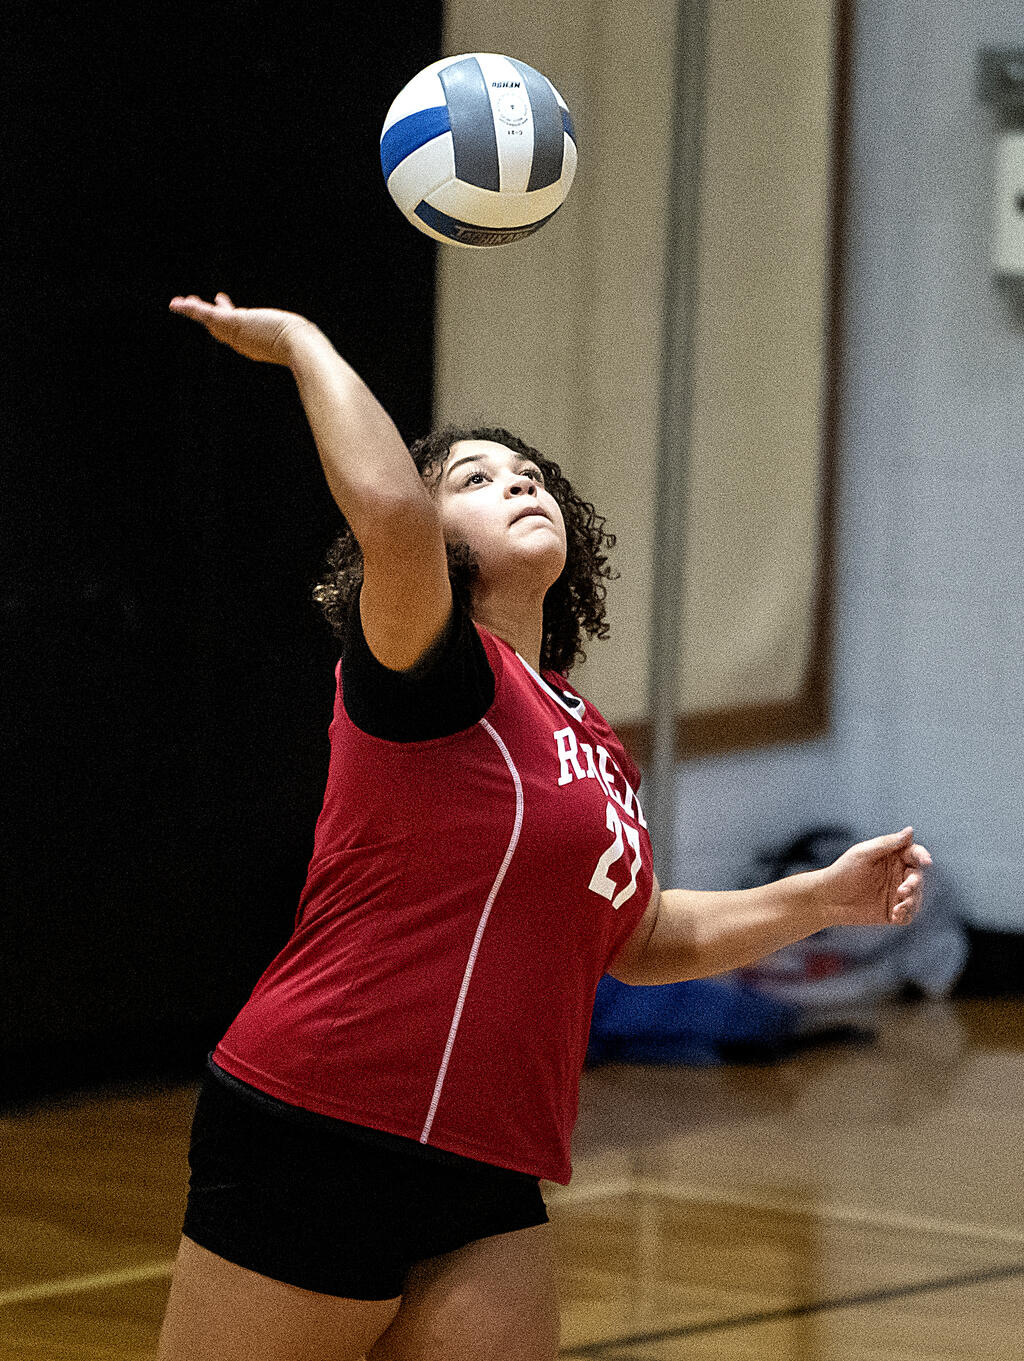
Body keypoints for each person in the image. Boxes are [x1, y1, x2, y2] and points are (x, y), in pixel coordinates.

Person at [157, 292, 933, 1361]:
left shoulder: (590, 736)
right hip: (324, 1120)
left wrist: (821, 898)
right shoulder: (428, 666)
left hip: (487, 1160)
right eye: (473, 479)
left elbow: (636, 935)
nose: (517, 481)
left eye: (527, 473)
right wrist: (299, 342)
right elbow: (387, 510)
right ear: (436, 536)